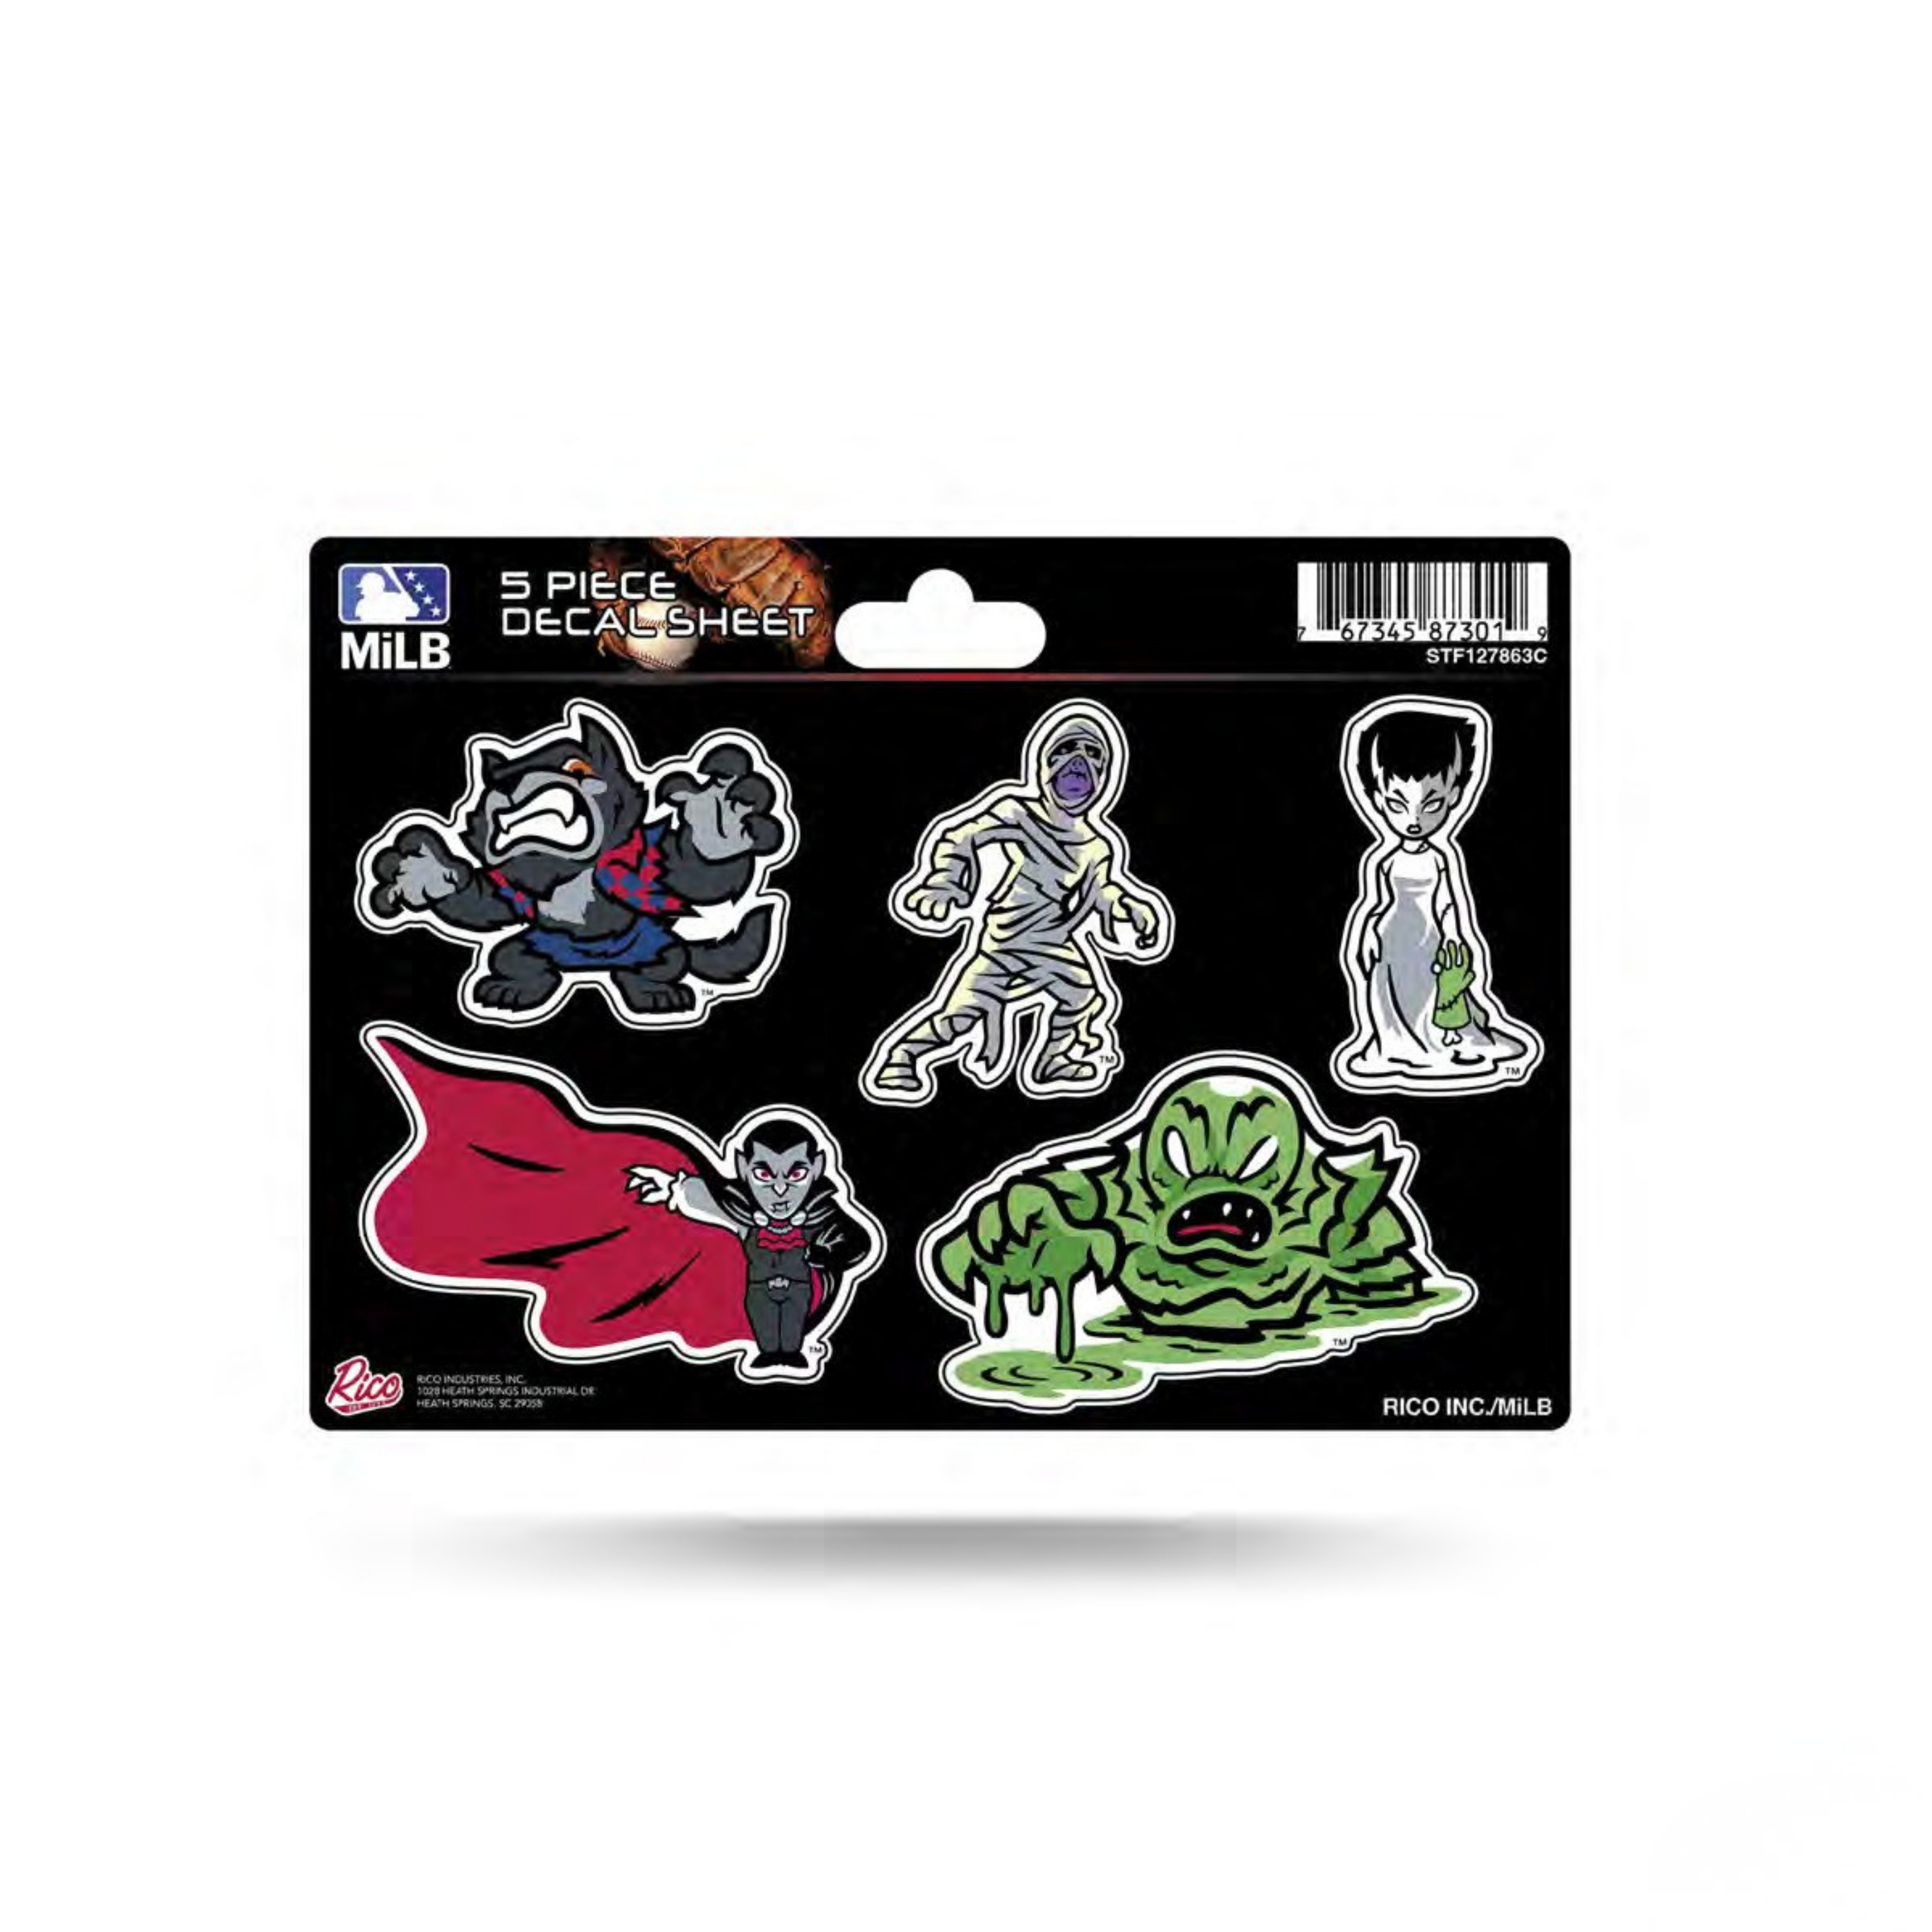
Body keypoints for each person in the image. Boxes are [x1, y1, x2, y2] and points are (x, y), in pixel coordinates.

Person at [1335, 700, 1539, 1090]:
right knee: (1391, 997)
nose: (1414, 820)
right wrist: (1366, 936)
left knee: (1438, 995)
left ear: (1454, 795)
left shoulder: (1439, 859)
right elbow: (1377, 906)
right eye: (1398, 806)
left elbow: (1447, 903)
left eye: (1431, 805)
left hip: (1430, 939)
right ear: (1378, 801)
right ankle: (1396, 1048)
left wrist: (1455, 936)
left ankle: (1439, 1045)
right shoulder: (1386, 862)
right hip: (1392, 940)